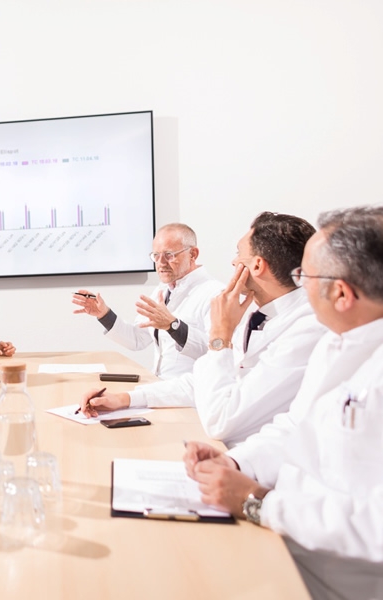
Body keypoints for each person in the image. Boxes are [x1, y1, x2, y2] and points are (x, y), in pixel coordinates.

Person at [183, 206, 383, 600]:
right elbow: (296, 426)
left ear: (342, 293)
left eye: (304, 276)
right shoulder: (337, 340)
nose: (299, 287)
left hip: (335, 581)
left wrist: (259, 504)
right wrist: (237, 463)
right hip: (289, 540)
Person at [80, 212, 326, 446]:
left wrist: (215, 333)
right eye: (156, 255)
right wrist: (124, 398)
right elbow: (194, 379)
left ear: (258, 265)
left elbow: (221, 419)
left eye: (238, 254)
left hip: (234, 442)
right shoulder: (254, 313)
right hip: (205, 421)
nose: (232, 262)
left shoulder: (303, 329)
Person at [73, 223, 223, 379]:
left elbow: (218, 351)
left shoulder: (215, 294)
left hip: (192, 394)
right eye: (156, 255)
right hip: (160, 386)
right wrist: (104, 314)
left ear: (193, 254)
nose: (161, 263)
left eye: (169, 255)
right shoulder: (162, 291)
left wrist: (174, 326)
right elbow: (137, 339)